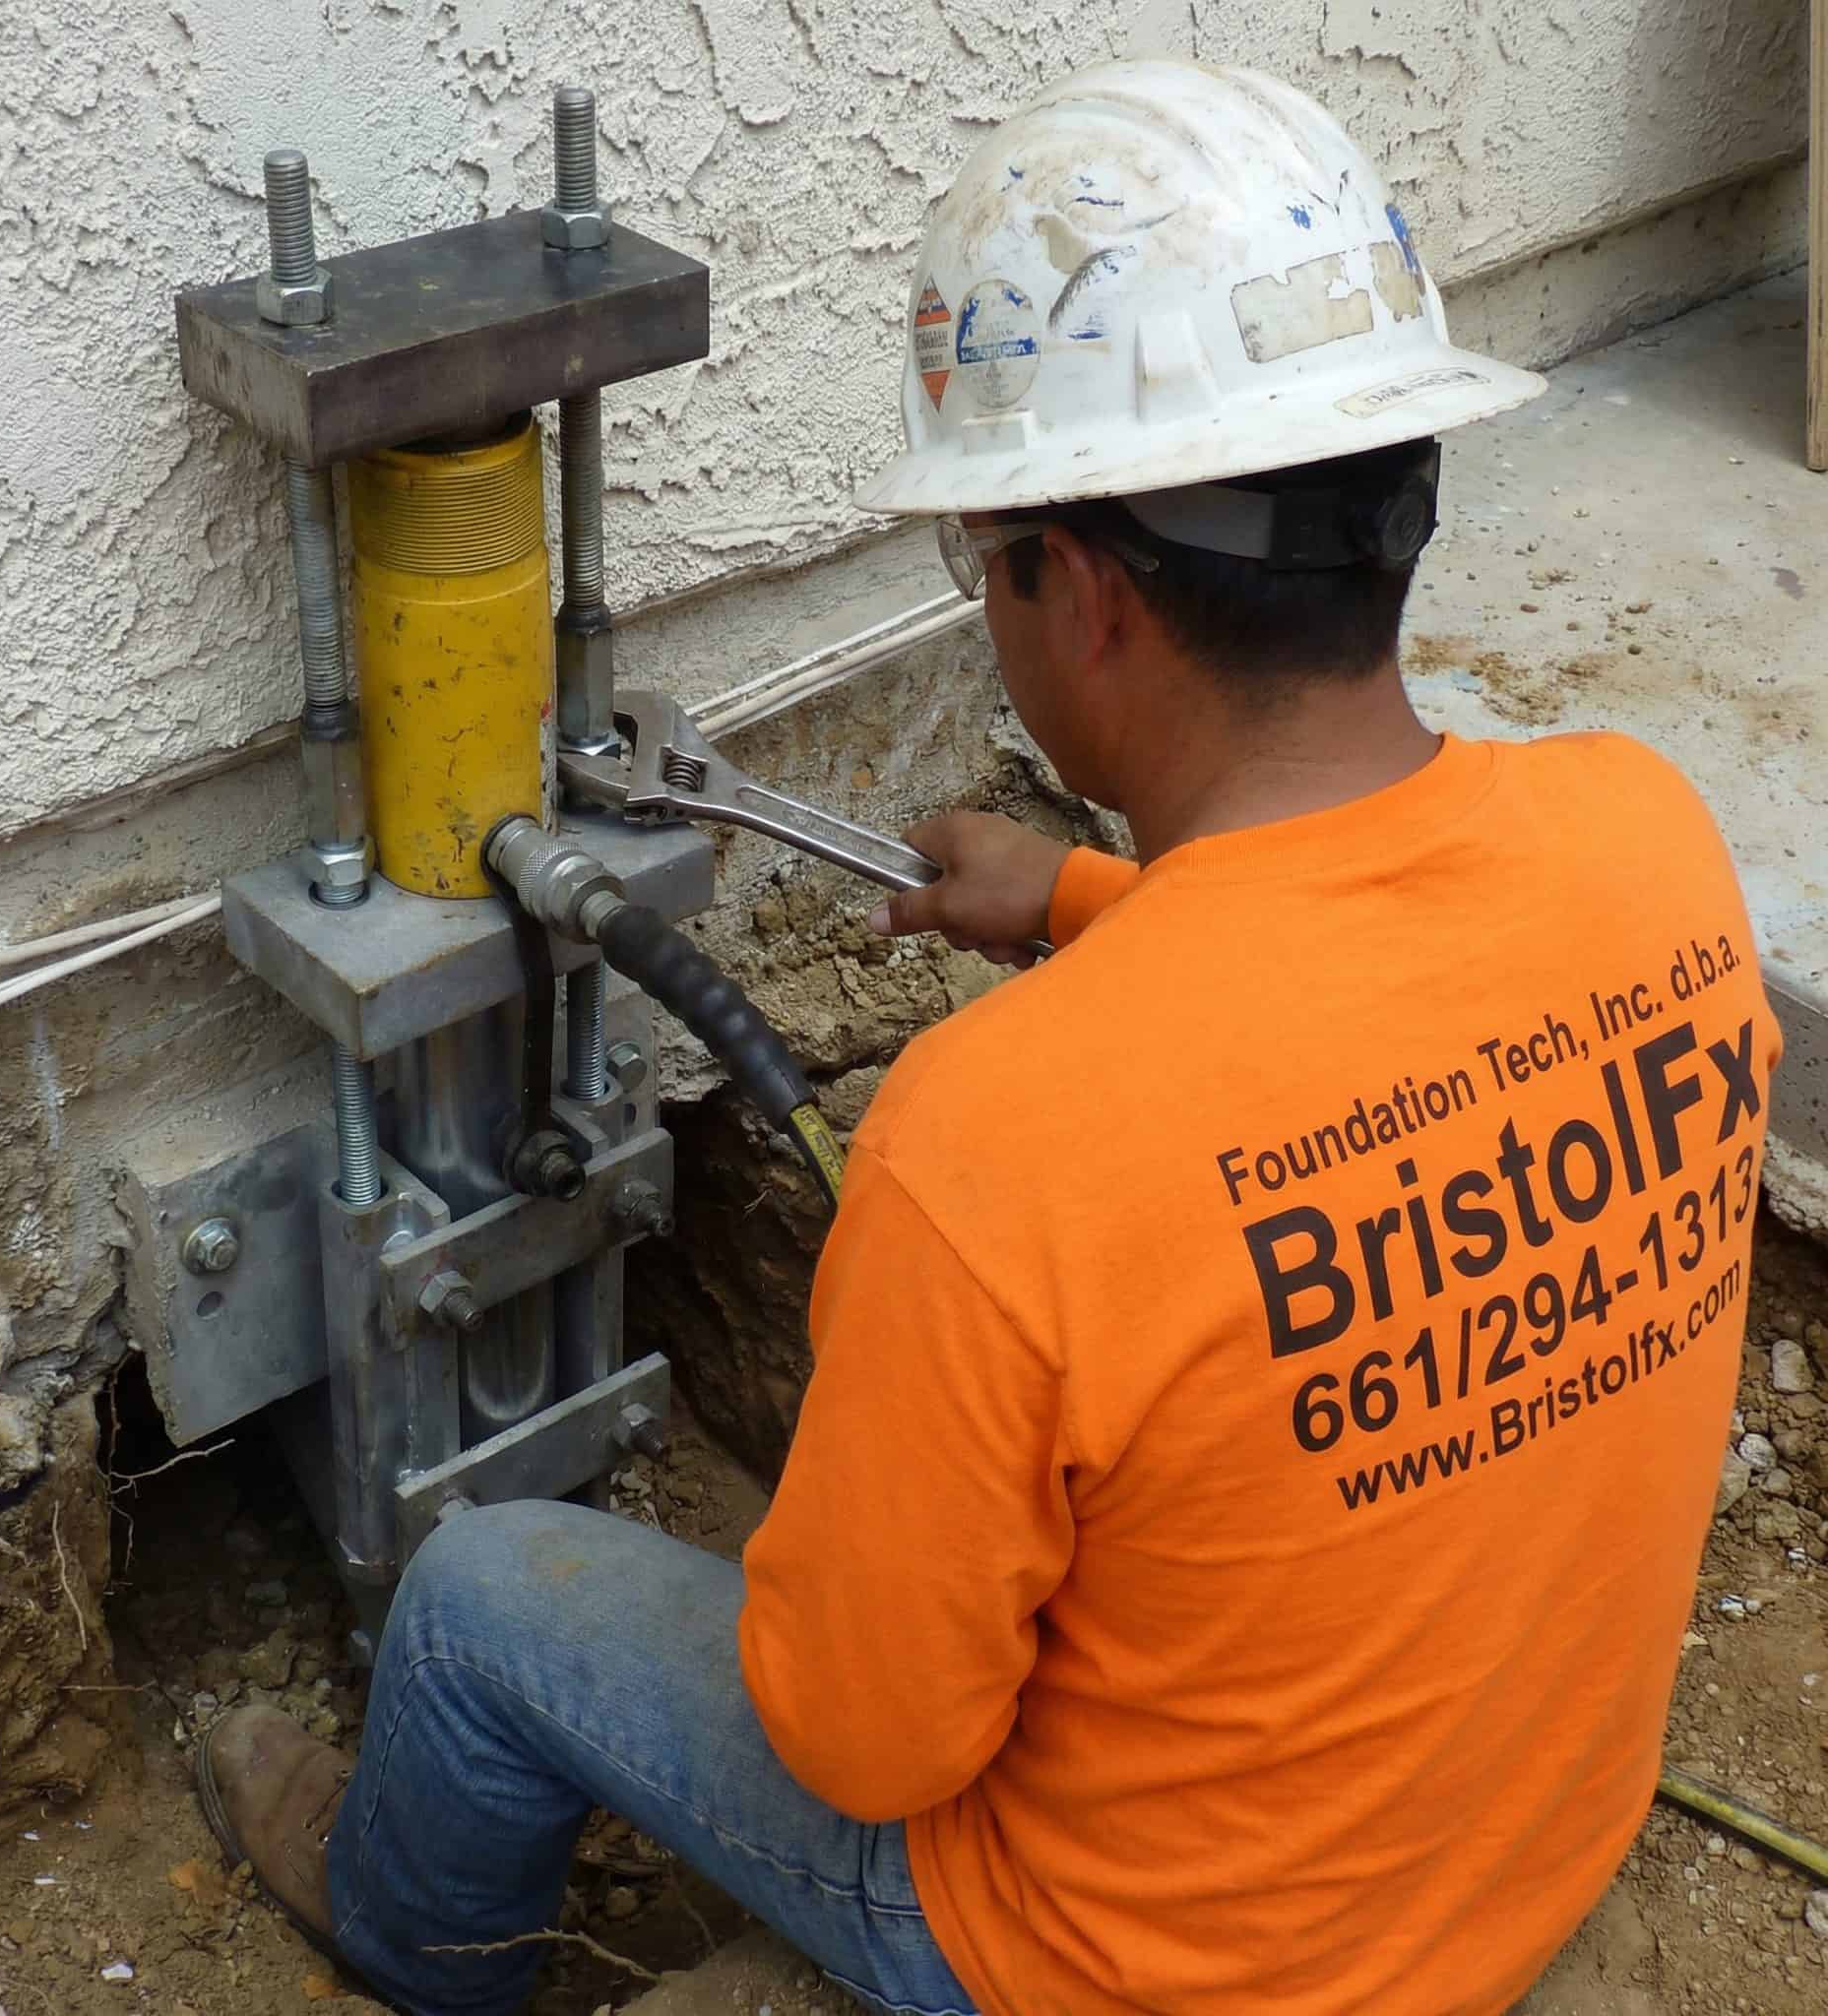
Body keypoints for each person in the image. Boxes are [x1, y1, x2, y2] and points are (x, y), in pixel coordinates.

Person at [196, 58, 1780, 2016]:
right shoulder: (1651, 846)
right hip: (1511, 1849)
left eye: (984, 560)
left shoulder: (999, 1141)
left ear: (1085, 594)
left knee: (479, 1594)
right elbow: (1380, 1034)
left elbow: (867, 1750)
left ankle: (405, 1948)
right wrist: (1092, 899)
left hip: (1134, 1967)